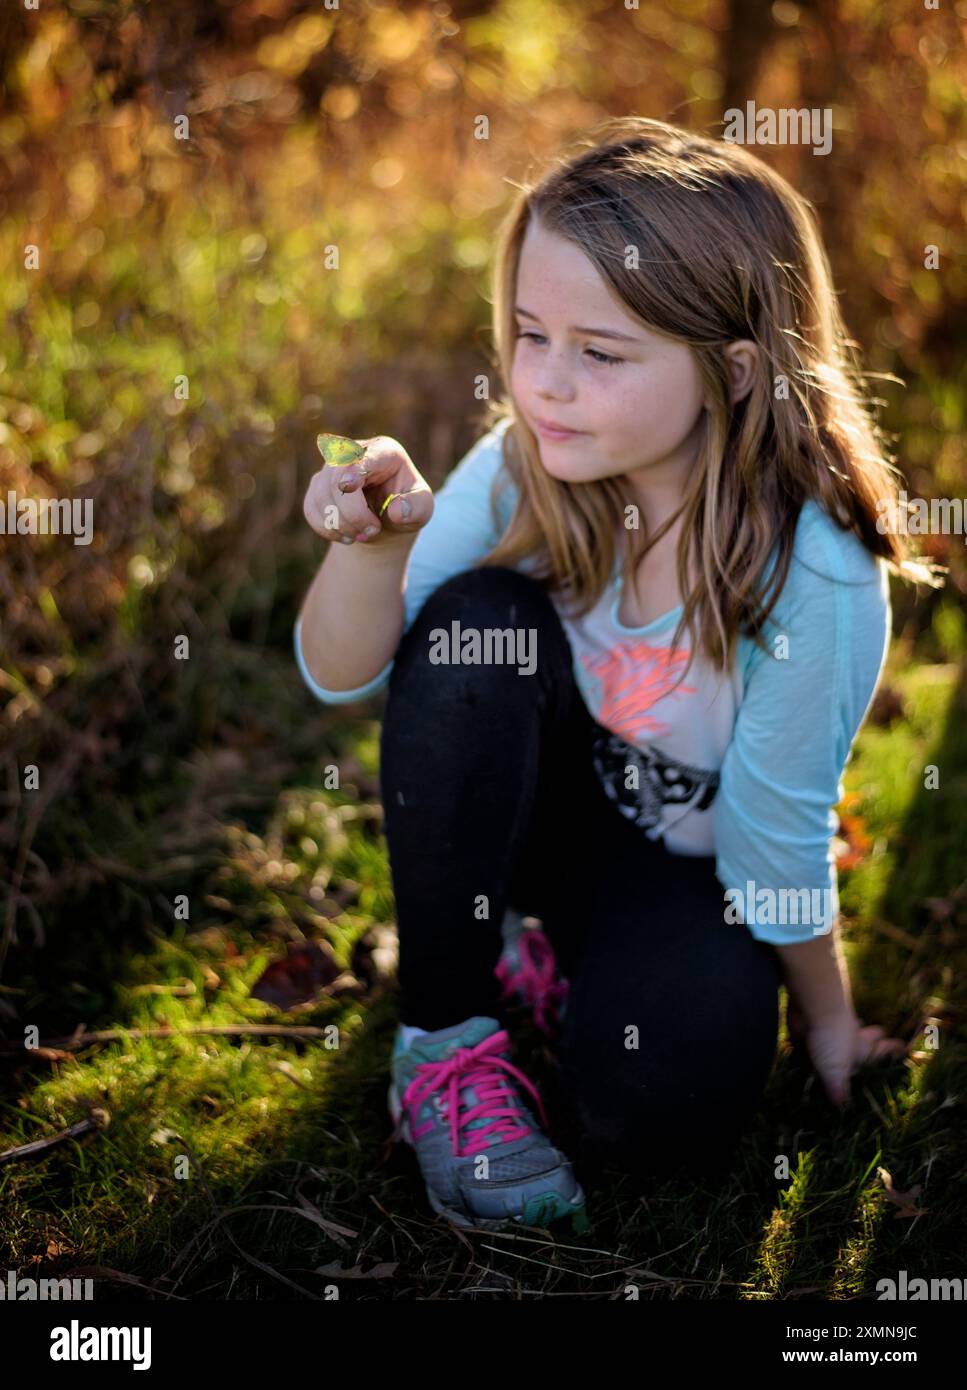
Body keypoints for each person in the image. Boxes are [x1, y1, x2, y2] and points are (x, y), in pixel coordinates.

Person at [294, 117, 941, 1233]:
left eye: (600, 352)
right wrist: (373, 548)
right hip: (536, 824)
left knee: (662, 1116)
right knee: (467, 625)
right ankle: (446, 1032)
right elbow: (343, 676)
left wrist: (827, 1027)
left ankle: (566, 964)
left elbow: (771, 834)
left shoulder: (817, 579)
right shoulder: (521, 472)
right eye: (530, 333)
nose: (544, 385)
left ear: (732, 371)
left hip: (685, 867)